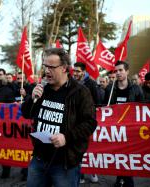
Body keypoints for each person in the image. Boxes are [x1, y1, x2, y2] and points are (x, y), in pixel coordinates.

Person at [21, 48, 97, 187]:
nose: (47, 71)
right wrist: (32, 99)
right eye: (45, 66)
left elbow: (90, 123)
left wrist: (66, 137)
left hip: (65, 163)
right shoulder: (42, 88)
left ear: (64, 68)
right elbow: (26, 113)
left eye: (51, 67)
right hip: (39, 158)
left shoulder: (80, 92)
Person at [104, 61, 144, 187]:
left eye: (121, 70)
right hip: (115, 129)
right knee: (118, 155)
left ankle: (127, 181)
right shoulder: (110, 89)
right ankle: (120, 179)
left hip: (130, 129)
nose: (118, 73)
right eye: (116, 71)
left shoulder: (136, 89)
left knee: (128, 155)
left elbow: (142, 109)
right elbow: (104, 108)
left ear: (127, 71)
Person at [73, 62, 100, 183]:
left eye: (78, 71)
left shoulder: (92, 84)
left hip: (88, 121)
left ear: (84, 72)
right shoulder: (72, 83)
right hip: (75, 121)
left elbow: (98, 102)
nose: (75, 73)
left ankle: (92, 170)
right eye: (74, 71)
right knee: (78, 148)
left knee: (90, 147)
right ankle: (81, 174)